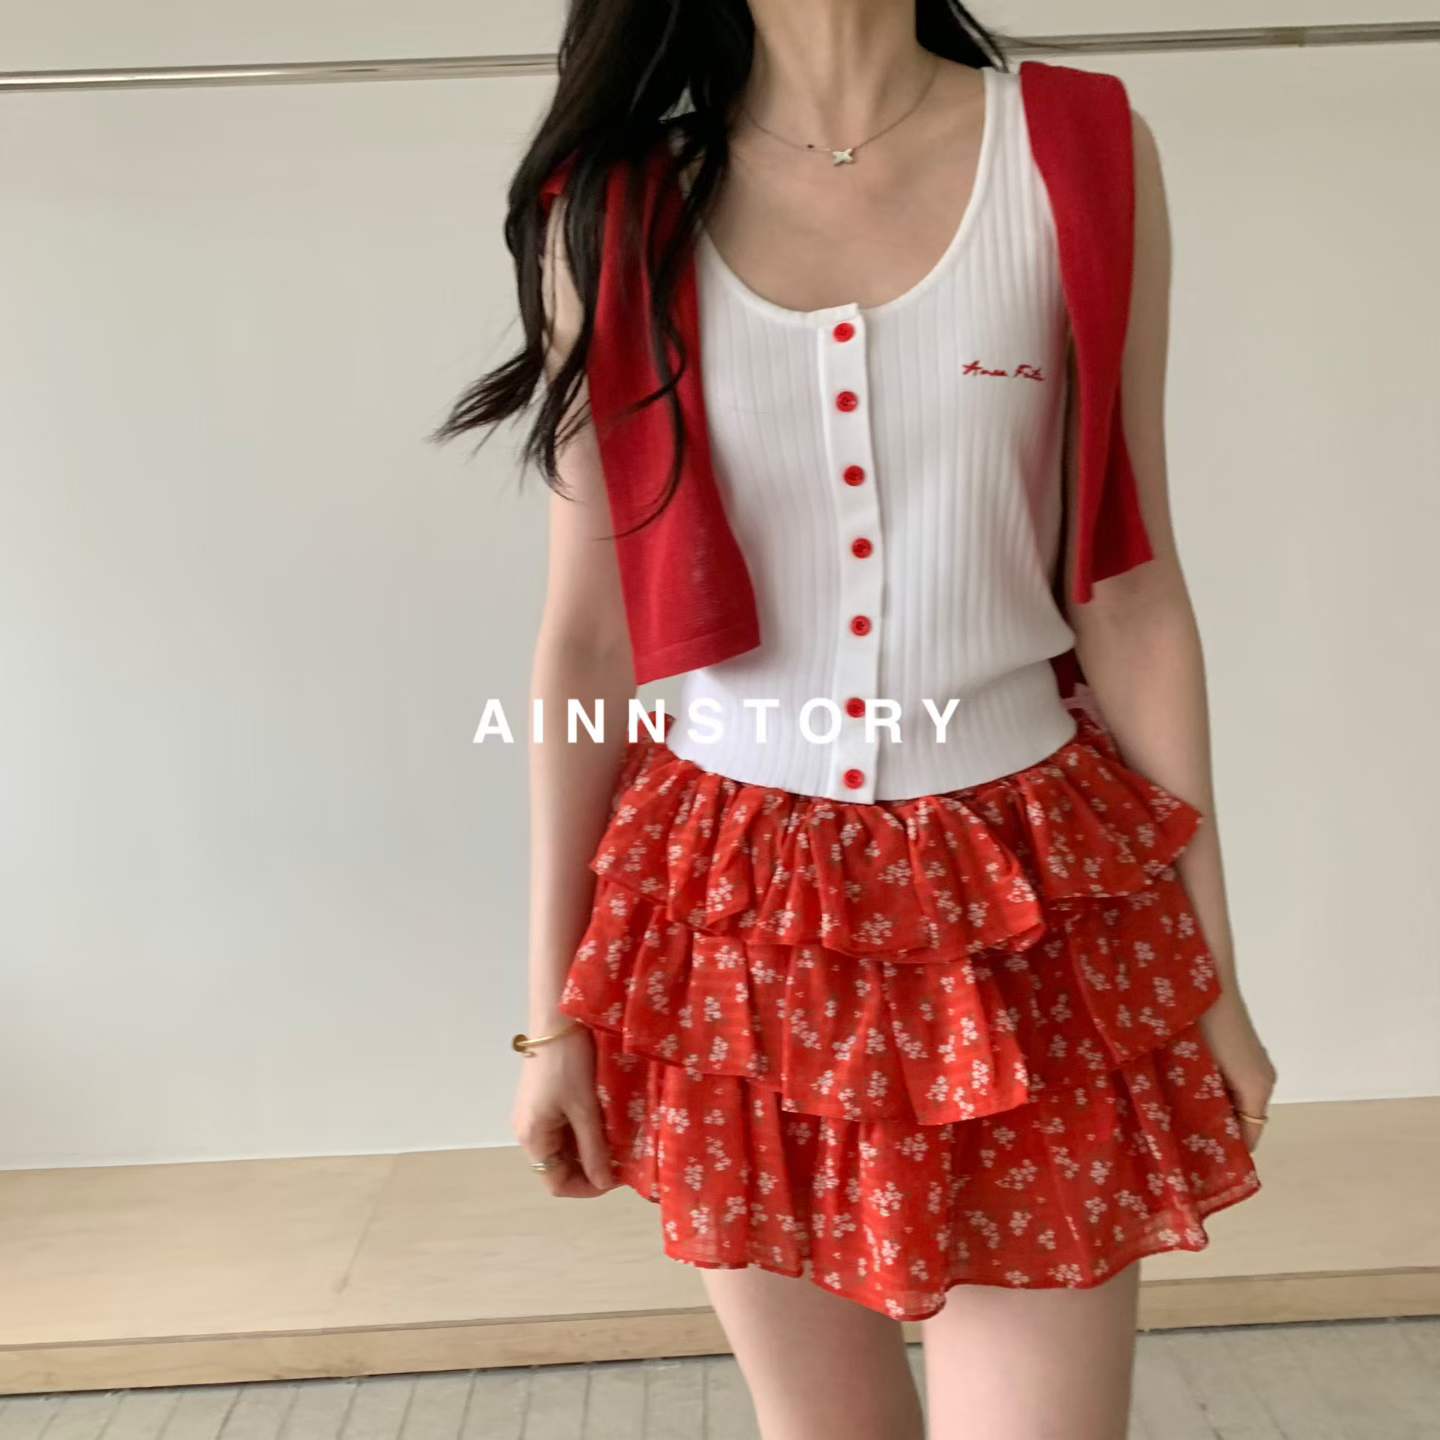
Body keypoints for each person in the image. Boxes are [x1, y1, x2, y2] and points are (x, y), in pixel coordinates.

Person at [438, 3, 1276, 1436]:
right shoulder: (619, 205)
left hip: (1028, 909)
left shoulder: (1077, 151)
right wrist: (550, 1021)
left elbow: (1130, 589)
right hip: (729, 921)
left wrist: (1212, 976)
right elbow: (589, 639)